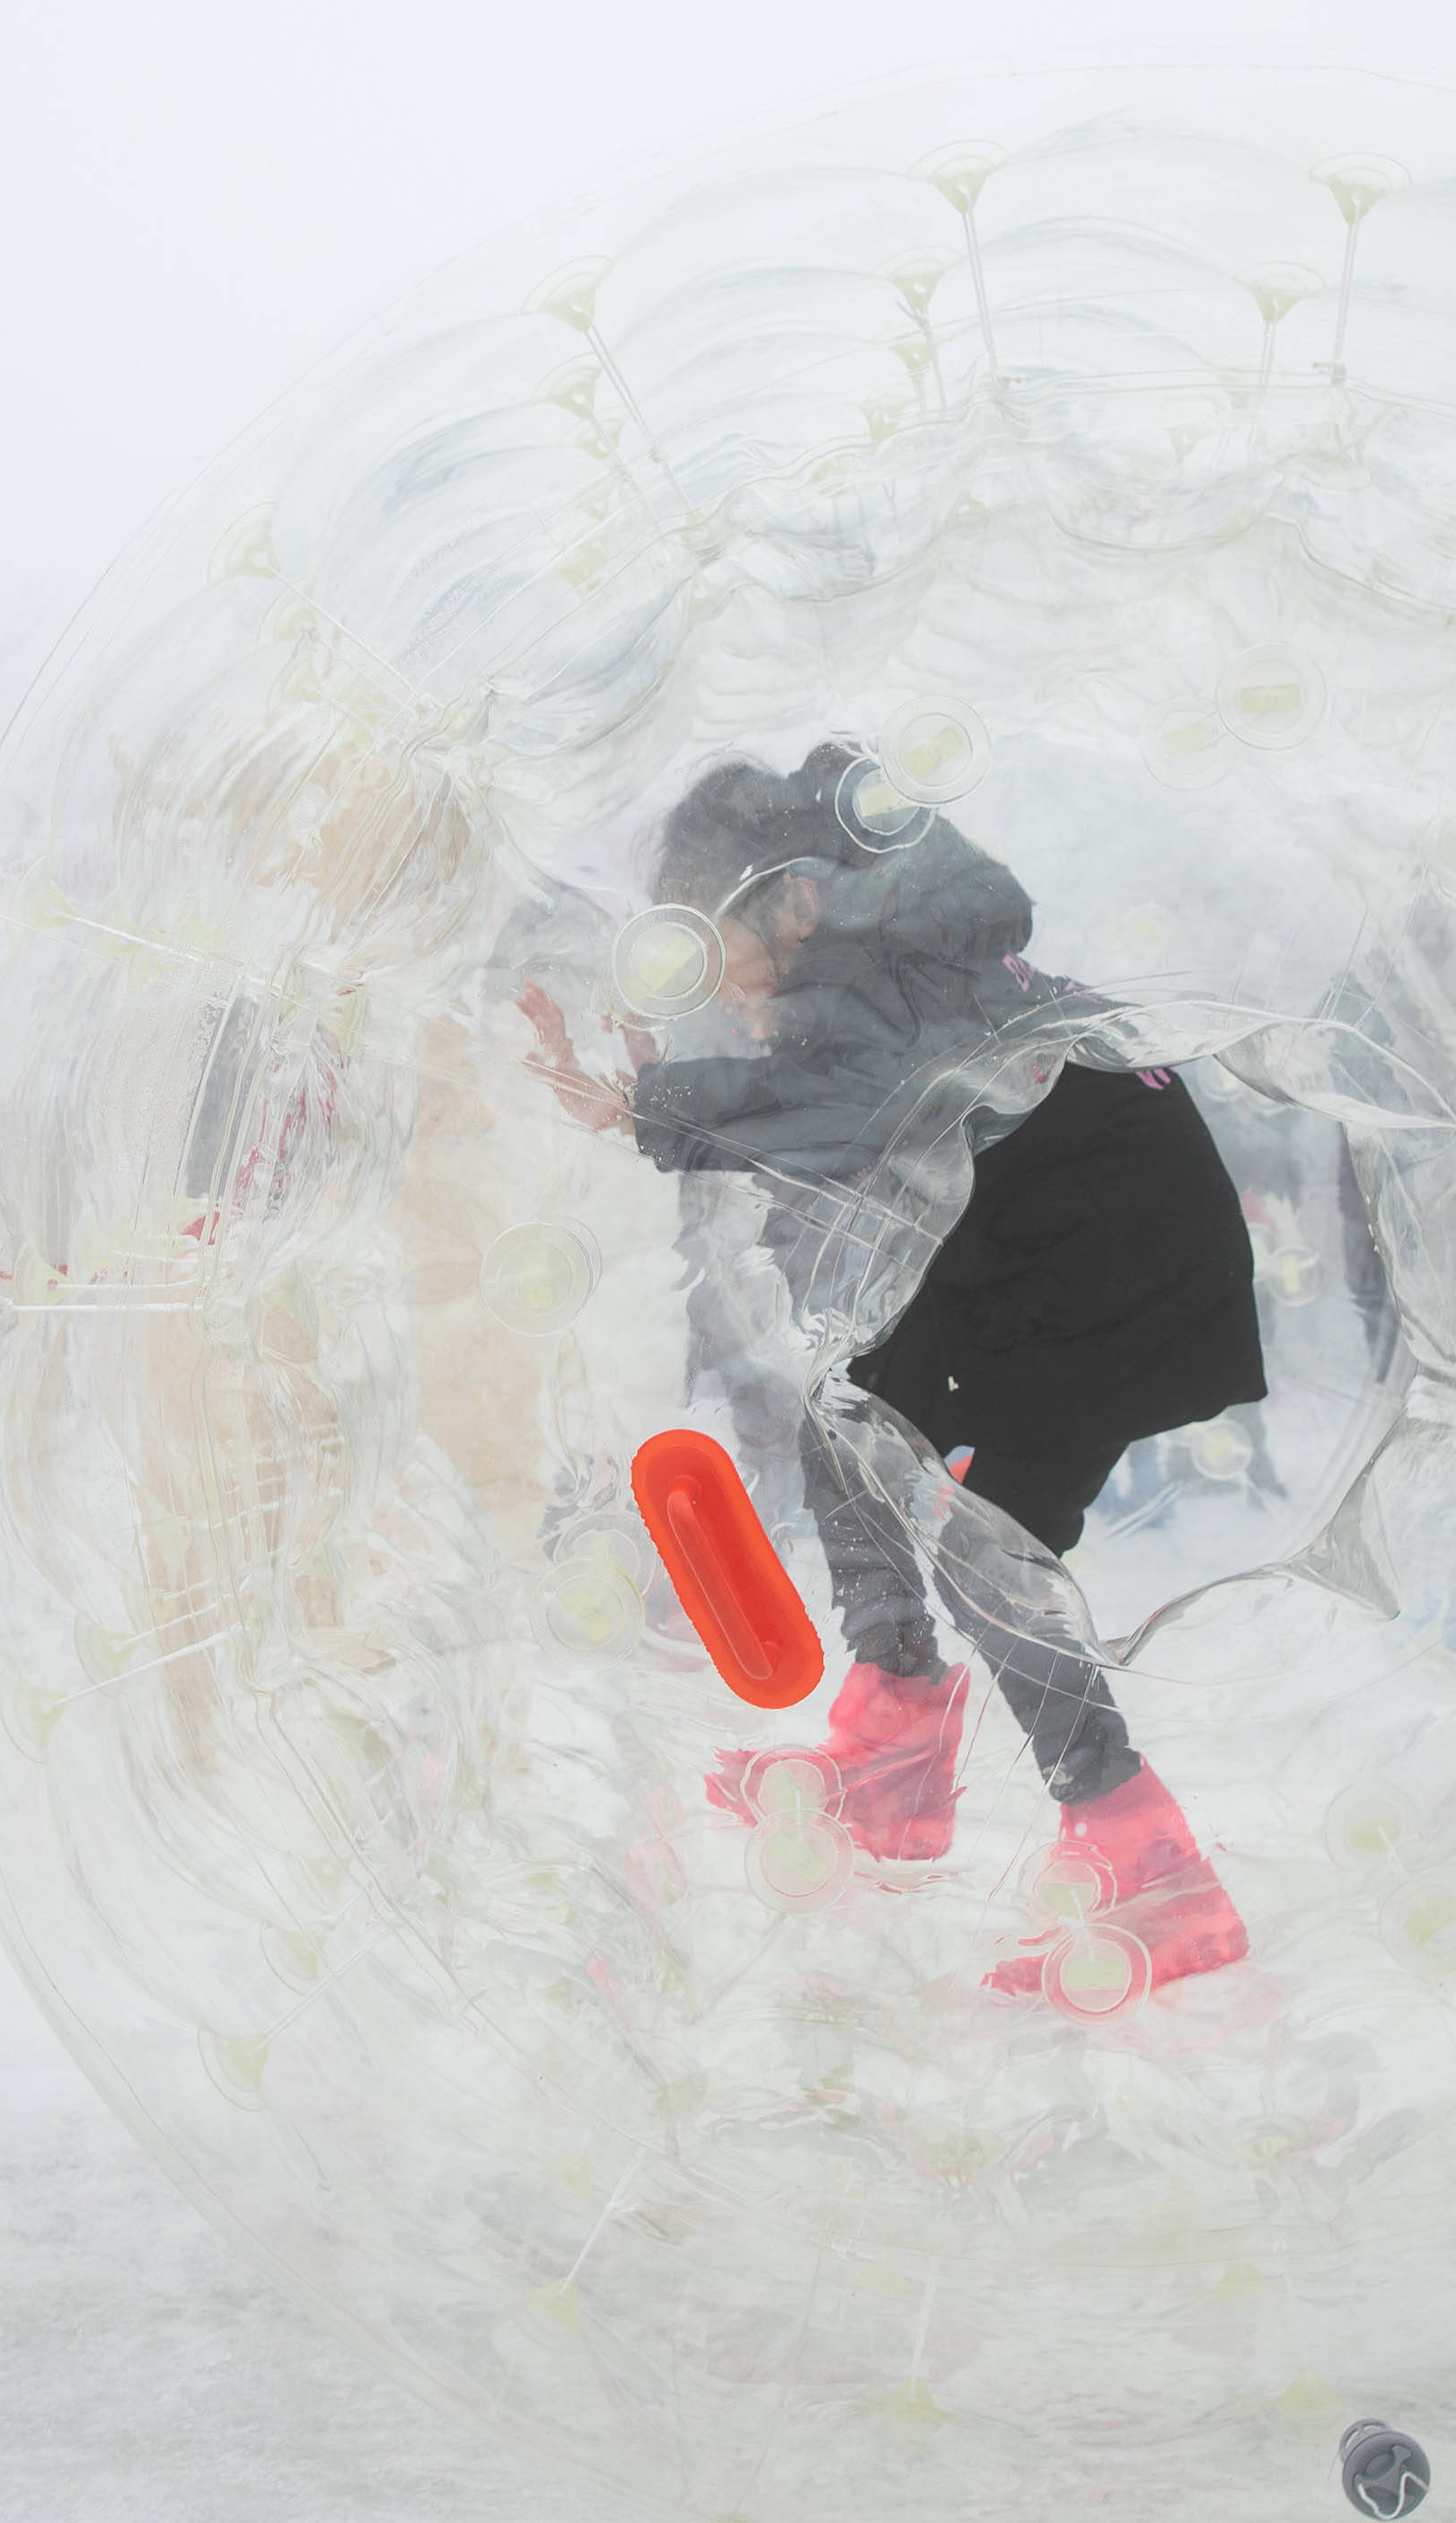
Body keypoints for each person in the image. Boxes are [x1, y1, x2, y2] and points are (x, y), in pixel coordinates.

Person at [518, 747, 1267, 1998]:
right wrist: (683, 1093)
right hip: (1075, 1249)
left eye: (718, 949)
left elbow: (852, 1102)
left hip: (1099, 1275)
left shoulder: (872, 969)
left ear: (795, 904)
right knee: (846, 1412)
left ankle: (1151, 1864)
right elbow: (855, 1123)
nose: (726, 986)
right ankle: (894, 1742)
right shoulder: (911, 956)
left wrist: (647, 1109)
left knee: (984, 1544)